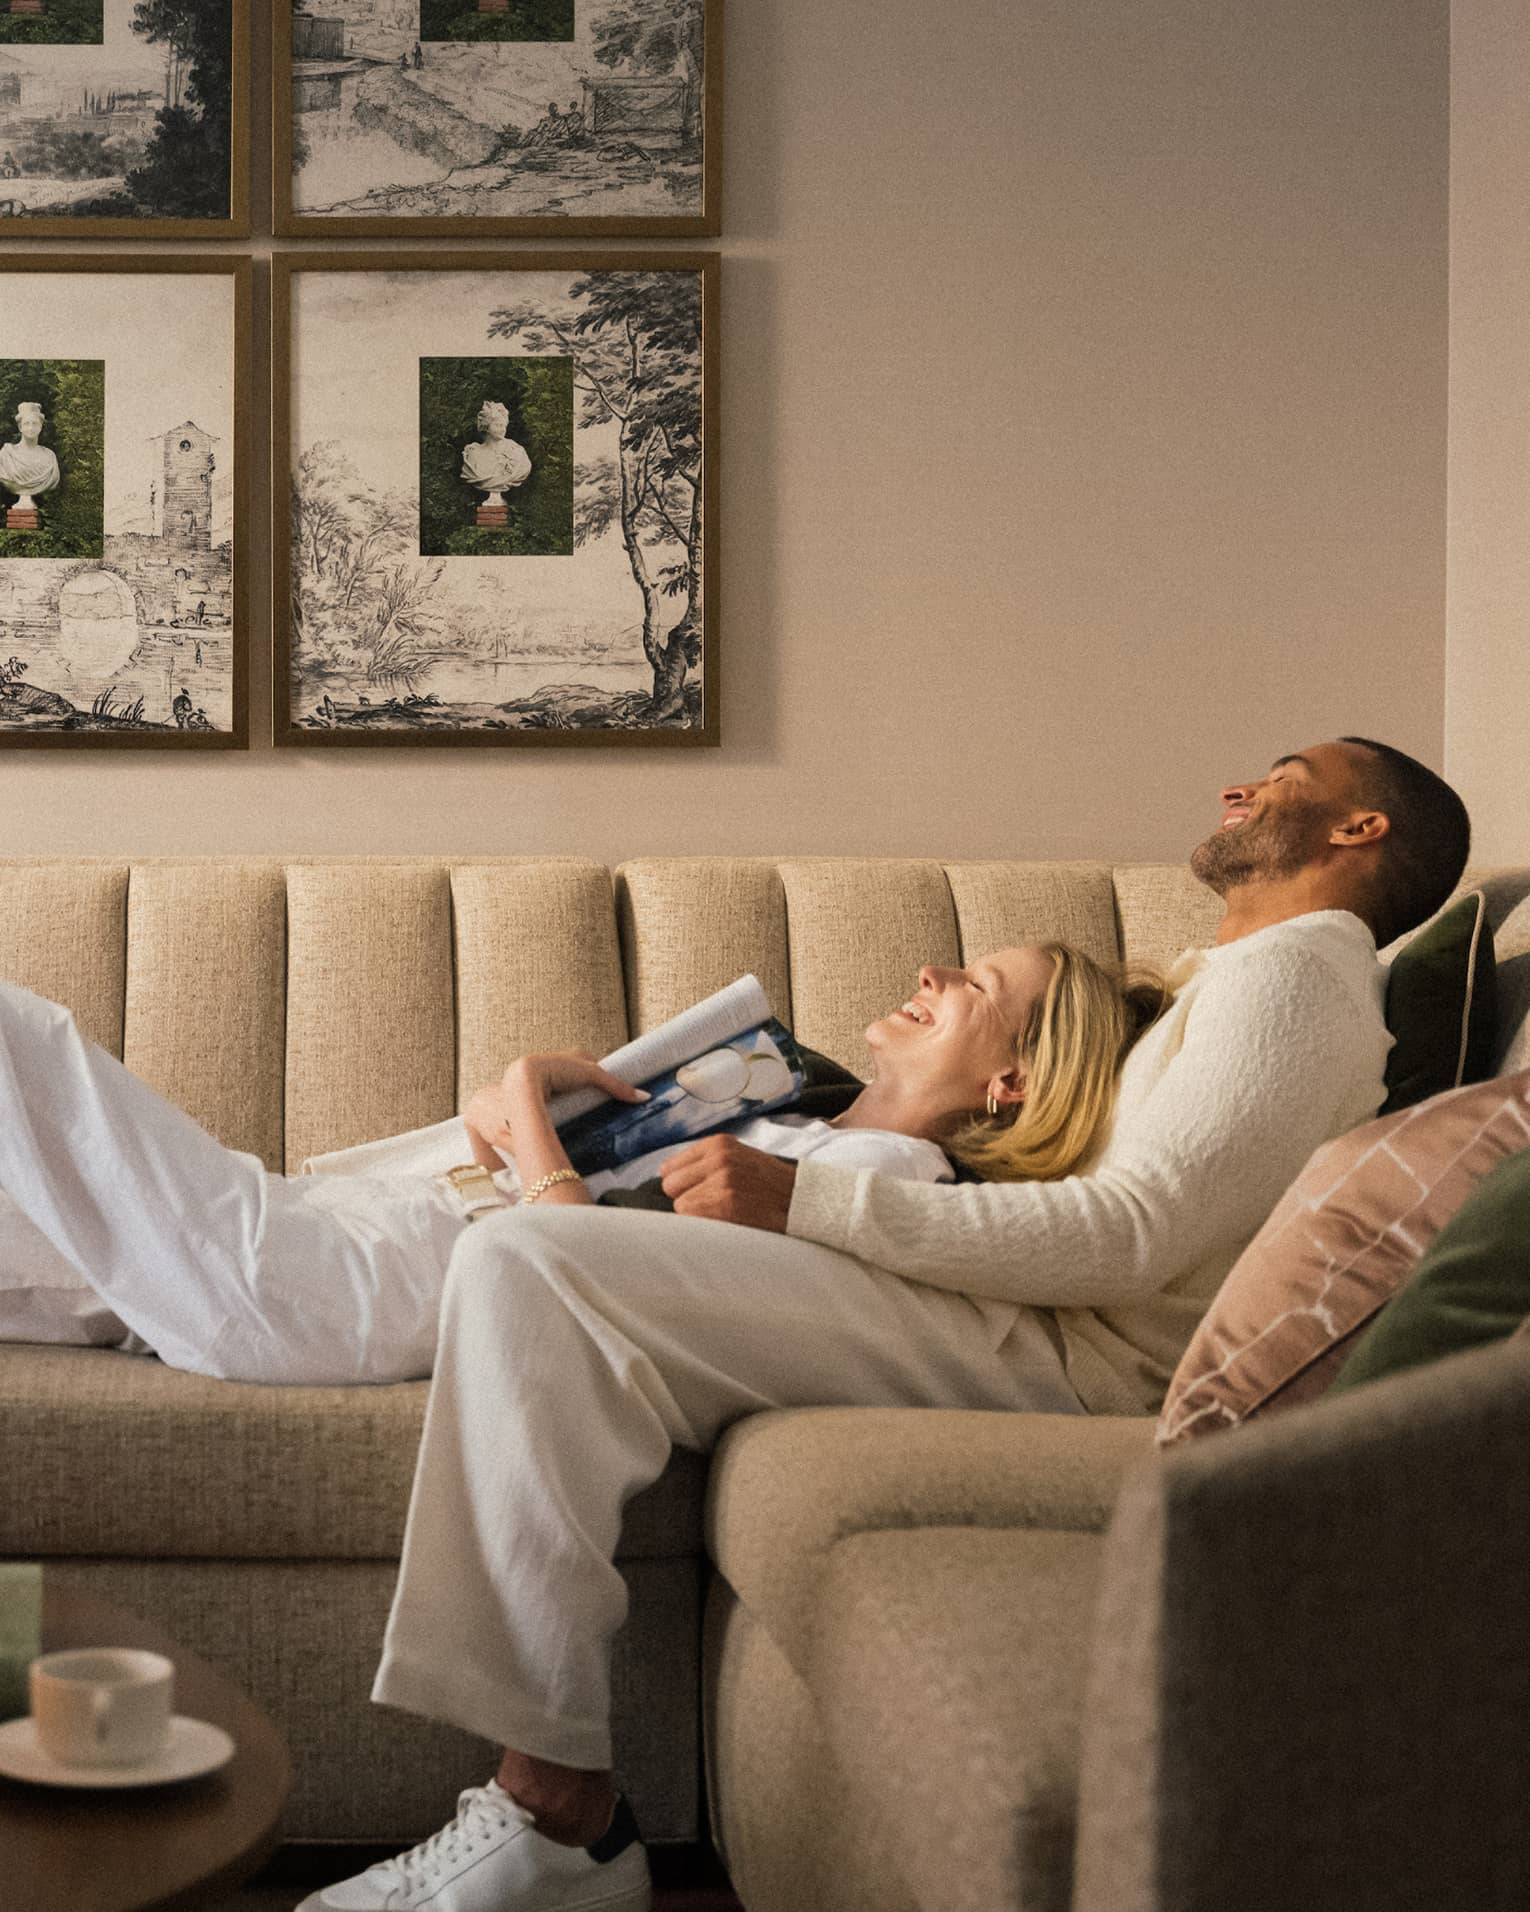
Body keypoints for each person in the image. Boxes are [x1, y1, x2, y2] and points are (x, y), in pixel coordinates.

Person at [296, 737, 1470, 1912]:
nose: (1238, 786)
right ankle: (555, 1820)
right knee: (532, 1262)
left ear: (1357, 831)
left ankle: (556, 1818)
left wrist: (807, 1195)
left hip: (1078, 1365)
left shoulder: (1303, 973)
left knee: (534, 1261)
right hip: (1030, 1322)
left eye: (1285, 773)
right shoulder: (1238, 980)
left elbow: (1130, 1234)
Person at [0, 943, 1151, 1389]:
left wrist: (529, 1122)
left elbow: (604, 1286)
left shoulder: (885, 1193)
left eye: (980, 990)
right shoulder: (810, 1112)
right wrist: (513, 1123)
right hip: (344, 1227)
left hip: (351, 1287)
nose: (937, 971)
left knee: (24, 1038)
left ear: (1011, 1082)